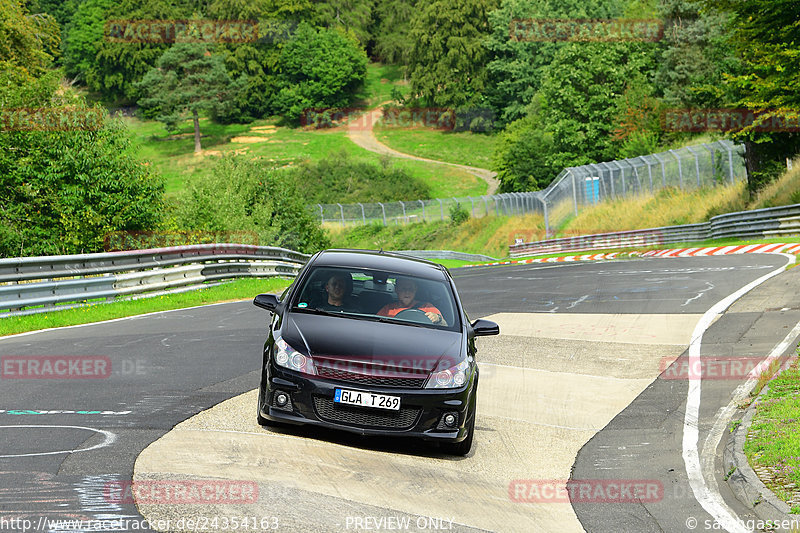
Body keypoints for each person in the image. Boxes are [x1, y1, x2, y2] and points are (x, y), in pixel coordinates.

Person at [377, 277, 446, 325]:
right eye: (403, 289)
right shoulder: (388, 309)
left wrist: (438, 319)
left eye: (411, 289)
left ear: (415, 290)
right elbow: (376, 325)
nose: (407, 292)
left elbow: (445, 326)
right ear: (396, 289)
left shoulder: (427, 307)